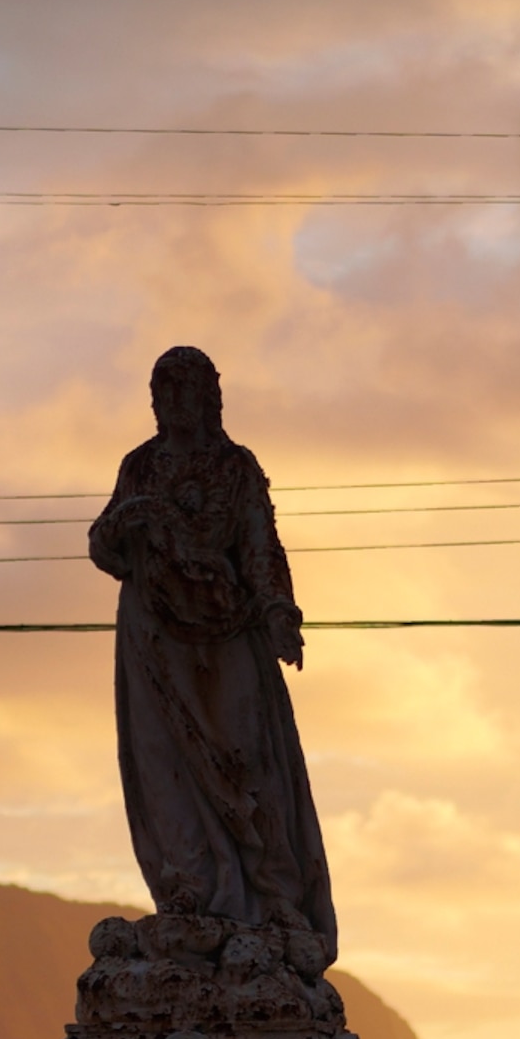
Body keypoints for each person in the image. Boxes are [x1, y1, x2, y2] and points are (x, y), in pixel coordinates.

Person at [87, 346, 338, 946]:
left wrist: (279, 611)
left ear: (209, 398)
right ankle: (188, 885)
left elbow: (260, 546)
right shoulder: (140, 468)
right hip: (156, 639)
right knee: (165, 761)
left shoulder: (235, 468)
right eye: (162, 390)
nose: (172, 402)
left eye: (184, 389)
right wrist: (126, 525)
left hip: (229, 633)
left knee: (248, 760)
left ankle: (274, 893)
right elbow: (104, 544)